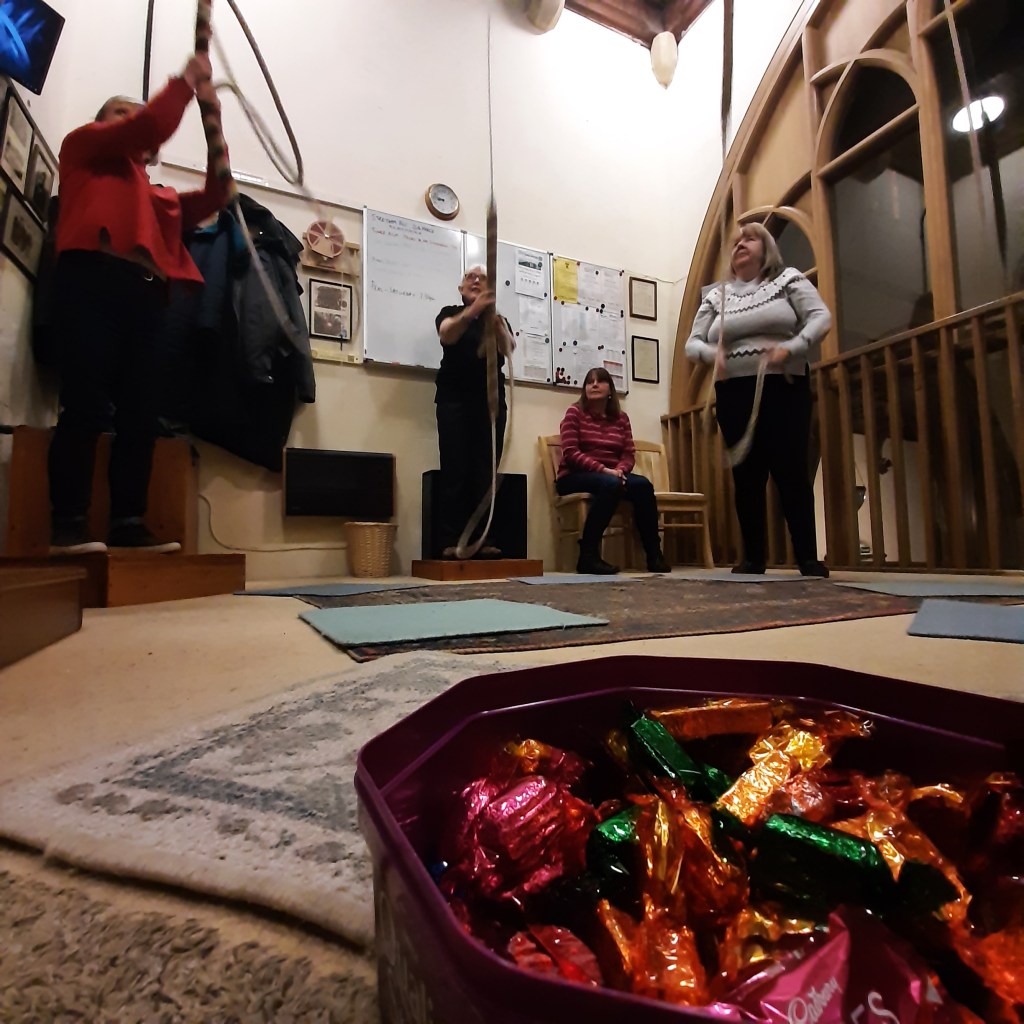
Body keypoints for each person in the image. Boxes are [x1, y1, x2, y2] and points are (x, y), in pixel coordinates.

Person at [47, 53, 229, 555]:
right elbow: (149, 124)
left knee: (141, 415)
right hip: (90, 281)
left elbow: (216, 194)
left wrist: (214, 120)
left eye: (136, 116)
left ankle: (128, 524)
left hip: (147, 296)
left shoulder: (162, 199)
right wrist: (186, 83)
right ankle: (67, 525)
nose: (133, 122)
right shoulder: (83, 147)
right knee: (85, 405)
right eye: (121, 115)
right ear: (103, 124)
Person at [684, 222, 832, 577]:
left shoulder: (788, 280)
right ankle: (753, 558)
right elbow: (693, 343)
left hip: (785, 386)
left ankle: (807, 558)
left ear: (767, 248)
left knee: (791, 471)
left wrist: (793, 347)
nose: (741, 244)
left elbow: (820, 317)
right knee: (747, 475)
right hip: (734, 392)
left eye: (750, 239)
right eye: (736, 241)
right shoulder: (716, 296)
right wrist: (712, 355)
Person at [555, 367, 670, 575]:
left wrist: (619, 470)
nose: (594, 385)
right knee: (611, 484)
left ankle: (654, 555)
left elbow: (628, 453)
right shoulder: (575, 412)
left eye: (600, 381)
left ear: (610, 390)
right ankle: (588, 556)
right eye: (589, 382)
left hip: (611, 475)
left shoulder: (621, 418)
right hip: (573, 475)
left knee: (643, 486)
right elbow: (571, 453)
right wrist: (604, 470)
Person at [434, 267, 514, 559]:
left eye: (482, 278)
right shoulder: (451, 313)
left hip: (490, 401)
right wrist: (473, 312)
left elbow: (509, 348)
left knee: (485, 470)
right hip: (454, 401)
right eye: (470, 277)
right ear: (461, 289)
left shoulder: (498, 320)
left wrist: (495, 323)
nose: (476, 280)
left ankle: (483, 539)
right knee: (455, 468)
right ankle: (452, 540)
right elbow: (447, 335)